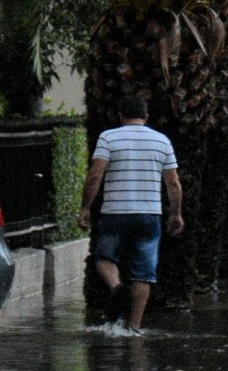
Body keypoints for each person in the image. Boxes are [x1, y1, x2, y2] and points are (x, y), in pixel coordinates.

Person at [78, 95, 183, 335]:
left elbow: (95, 175)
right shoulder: (162, 141)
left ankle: (116, 287)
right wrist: (176, 214)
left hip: (115, 213)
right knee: (144, 273)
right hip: (149, 216)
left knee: (104, 258)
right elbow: (174, 183)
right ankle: (134, 328)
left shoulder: (108, 137)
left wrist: (85, 207)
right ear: (146, 116)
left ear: (121, 116)